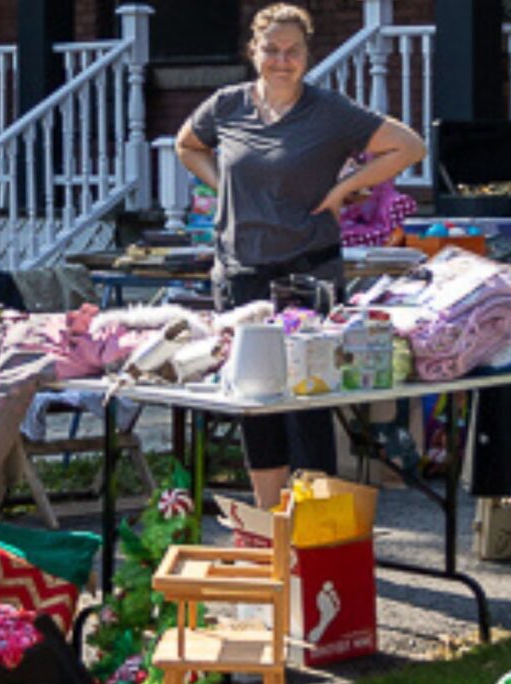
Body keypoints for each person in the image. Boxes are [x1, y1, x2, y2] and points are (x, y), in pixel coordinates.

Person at [176, 3, 424, 507]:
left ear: (307, 57)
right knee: (256, 401)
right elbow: (187, 145)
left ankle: (313, 527)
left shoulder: (329, 111)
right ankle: (271, 523)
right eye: (271, 49)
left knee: (309, 399)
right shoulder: (227, 105)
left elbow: (408, 146)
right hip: (241, 272)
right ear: (254, 51)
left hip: (308, 271)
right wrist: (223, 186)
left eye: (292, 51)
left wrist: (344, 189)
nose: (281, 60)